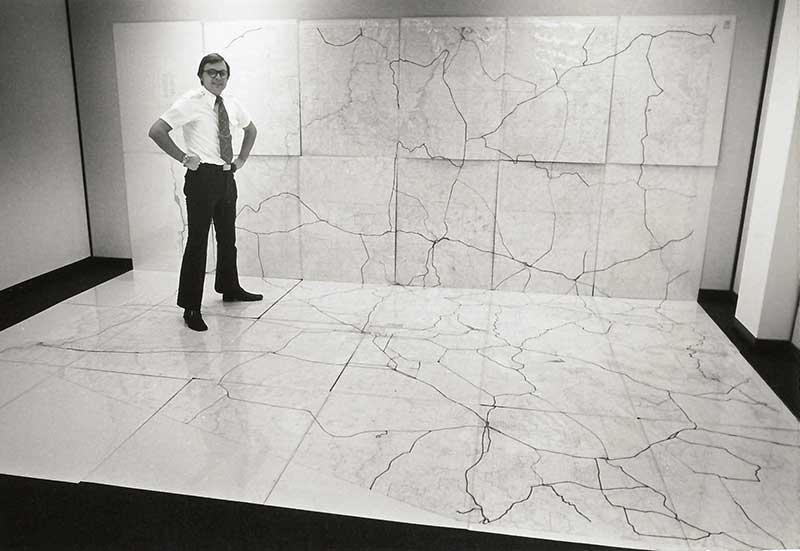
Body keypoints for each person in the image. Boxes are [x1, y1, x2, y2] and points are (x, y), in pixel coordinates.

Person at [148, 53, 262, 331]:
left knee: (227, 237)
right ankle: (190, 306)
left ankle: (229, 287)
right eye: (211, 72)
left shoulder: (231, 104)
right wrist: (183, 157)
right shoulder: (190, 102)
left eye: (222, 72)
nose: (218, 77)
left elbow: (251, 130)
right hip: (201, 179)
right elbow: (157, 130)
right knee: (198, 243)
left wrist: (241, 160)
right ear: (201, 76)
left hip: (226, 176)